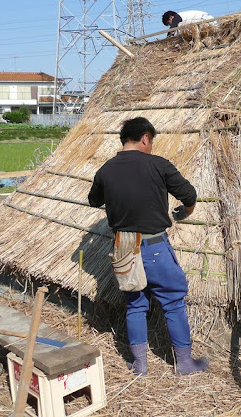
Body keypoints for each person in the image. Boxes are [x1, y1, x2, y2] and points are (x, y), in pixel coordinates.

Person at [88, 117, 208, 376]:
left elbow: (93, 201)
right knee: (173, 302)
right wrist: (184, 213)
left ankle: (140, 365)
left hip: (123, 246)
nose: (151, 146)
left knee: (135, 304)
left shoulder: (105, 170)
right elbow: (189, 195)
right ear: (145, 138)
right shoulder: (158, 165)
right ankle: (184, 363)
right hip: (153, 246)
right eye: (151, 141)